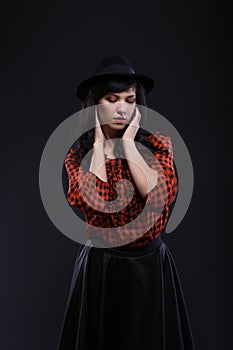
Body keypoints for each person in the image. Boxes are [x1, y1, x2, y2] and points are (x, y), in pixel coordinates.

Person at [57, 56, 196, 350]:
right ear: (97, 104)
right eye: (112, 98)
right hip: (102, 268)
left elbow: (159, 199)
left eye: (129, 99)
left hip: (150, 267)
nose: (122, 108)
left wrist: (130, 144)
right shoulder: (78, 154)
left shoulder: (157, 144)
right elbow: (93, 202)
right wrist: (97, 147)